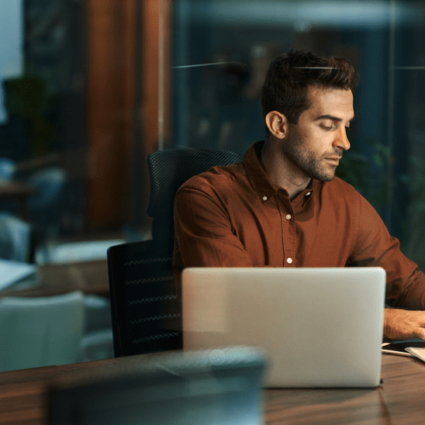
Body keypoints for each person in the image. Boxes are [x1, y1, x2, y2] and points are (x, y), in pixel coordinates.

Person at [173, 49, 425, 341]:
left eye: (347, 126)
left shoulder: (345, 201)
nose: (344, 142)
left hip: (326, 371)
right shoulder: (207, 197)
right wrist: (378, 318)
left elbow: (406, 284)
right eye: (328, 126)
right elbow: (242, 307)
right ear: (279, 125)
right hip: (235, 377)